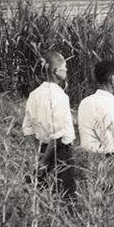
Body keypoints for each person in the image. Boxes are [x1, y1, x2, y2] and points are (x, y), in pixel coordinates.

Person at [22, 51, 77, 198]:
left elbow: (27, 128)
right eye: (64, 67)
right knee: (66, 197)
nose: (66, 70)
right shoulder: (60, 96)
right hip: (60, 152)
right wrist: (45, 161)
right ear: (56, 71)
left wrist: (38, 154)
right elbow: (57, 135)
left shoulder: (34, 94)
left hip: (42, 149)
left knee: (38, 195)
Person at [77, 58, 114, 191]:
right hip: (112, 161)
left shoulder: (85, 103)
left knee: (95, 202)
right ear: (112, 79)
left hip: (89, 162)